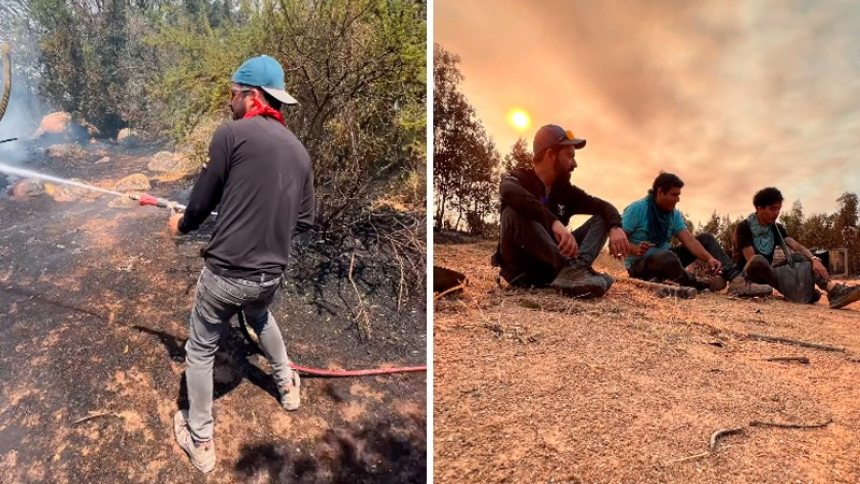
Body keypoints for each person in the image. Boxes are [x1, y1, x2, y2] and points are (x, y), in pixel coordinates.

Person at [167, 55, 315, 473]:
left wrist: (180, 225)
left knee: (199, 349)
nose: (229, 102)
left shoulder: (231, 134)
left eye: (232, 94)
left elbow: (200, 204)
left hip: (225, 276)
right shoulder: (300, 153)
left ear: (252, 96)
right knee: (260, 317)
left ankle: (201, 440)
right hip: (270, 276)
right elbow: (302, 221)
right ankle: (286, 386)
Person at [492, 124, 629, 298]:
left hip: (555, 271)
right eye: (570, 156)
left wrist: (615, 227)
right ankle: (572, 271)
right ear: (550, 154)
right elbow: (508, 191)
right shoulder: (519, 178)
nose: (575, 164)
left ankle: (576, 270)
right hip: (523, 273)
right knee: (512, 212)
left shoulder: (566, 191)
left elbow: (604, 206)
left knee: (603, 217)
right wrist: (553, 222)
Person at [622, 172, 770, 296]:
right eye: (674, 195)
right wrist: (635, 249)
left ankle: (737, 281)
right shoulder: (637, 209)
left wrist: (709, 258)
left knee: (706, 238)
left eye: (679, 195)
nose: (678, 199)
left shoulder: (674, 214)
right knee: (667, 257)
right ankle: (699, 284)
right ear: (660, 192)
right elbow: (615, 242)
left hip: (668, 260)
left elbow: (689, 241)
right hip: (640, 265)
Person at [733, 187, 860, 309]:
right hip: (749, 274)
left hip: (768, 272)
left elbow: (797, 246)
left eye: (778, 209)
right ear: (760, 209)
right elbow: (752, 262)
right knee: (758, 260)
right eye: (772, 209)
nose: (776, 213)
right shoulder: (744, 227)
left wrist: (813, 259)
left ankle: (832, 289)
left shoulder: (776, 228)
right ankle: (801, 290)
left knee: (800, 257)